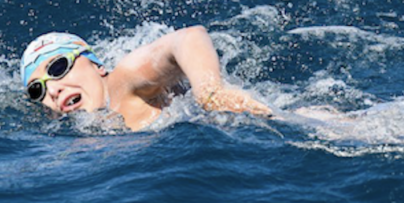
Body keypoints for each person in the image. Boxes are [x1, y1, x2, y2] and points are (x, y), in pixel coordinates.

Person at [20, 26, 272, 130]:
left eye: (58, 68)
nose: (52, 90)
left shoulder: (122, 84)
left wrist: (211, 92)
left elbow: (188, 37)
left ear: (97, 67)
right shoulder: (84, 134)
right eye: (36, 90)